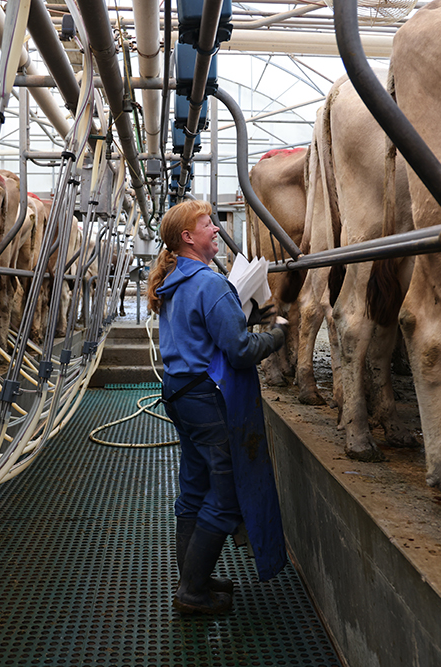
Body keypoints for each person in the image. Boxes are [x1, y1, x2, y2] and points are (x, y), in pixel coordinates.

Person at [147, 199, 289, 615]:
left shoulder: (175, 280)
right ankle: (191, 593)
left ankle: (195, 577)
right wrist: (277, 331)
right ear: (188, 237)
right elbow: (240, 351)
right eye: (207, 224)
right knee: (224, 496)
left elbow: (208, 335)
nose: (215, 229)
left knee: (193, 488)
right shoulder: (209, 285)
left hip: (179, 393)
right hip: (206, 401)